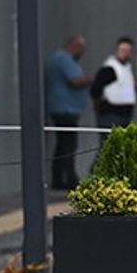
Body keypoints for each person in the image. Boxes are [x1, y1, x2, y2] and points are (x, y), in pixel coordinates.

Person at [44, 35, 91, 190]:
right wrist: (93, 79)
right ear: (73, 46)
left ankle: (61, 177)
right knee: (68, 145)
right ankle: (68, 178)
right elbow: (75, 81)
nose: (82, 54)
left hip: (66, 108)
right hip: (64, 110)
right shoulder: (63, 59)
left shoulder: (63, 59)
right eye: (81, 49)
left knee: (63, 144)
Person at [91, 37, 137, 144]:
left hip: (124, 115)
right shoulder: (110, 69)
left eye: (128, 51)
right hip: (111, 115)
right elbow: (95, 89)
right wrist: (99, 106)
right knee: (107, 147)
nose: (125, 54)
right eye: (123, 50)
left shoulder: (126, 67)